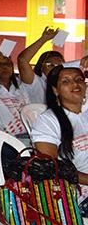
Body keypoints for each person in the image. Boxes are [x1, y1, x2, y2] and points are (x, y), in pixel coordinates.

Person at [31, 66, 88, 215]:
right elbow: (51, 166)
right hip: (75, 194)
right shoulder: (48, 121)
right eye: (66, 81)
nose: (75, 84)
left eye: (78, 79)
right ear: (56, 90)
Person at [17, 27, 64, 105]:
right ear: (41, 67)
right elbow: (22, 60)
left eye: (59, 66)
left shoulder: (65, 85)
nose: (55, 68)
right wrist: (44, 39)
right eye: (50, 65)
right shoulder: (35, 82)